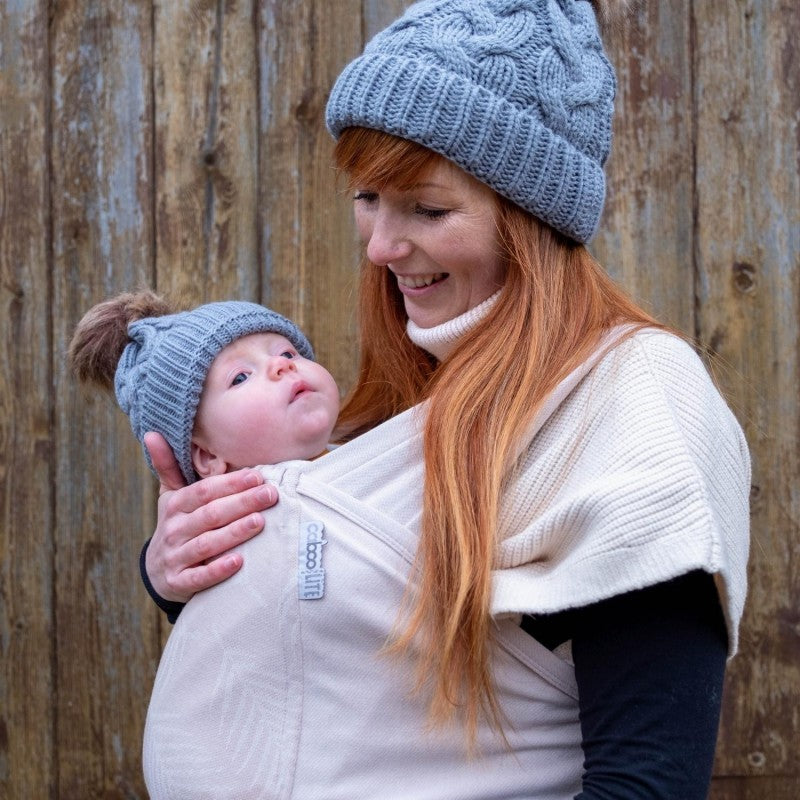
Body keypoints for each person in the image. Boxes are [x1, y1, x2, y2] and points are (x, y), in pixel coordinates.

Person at [137, 1, 751, 798]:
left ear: (529, 216)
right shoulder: (411, 388)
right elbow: (342, 666)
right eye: (367, 197)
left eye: (426, 208)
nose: (382, 245)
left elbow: (646, 783)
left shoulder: (631, 407)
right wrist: (182, 569)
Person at [70, 292, 340, 616]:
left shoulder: (378, 451)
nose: (281, 365)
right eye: (240, 376)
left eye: (288, 351)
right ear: (207, 456)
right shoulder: (231, 536)